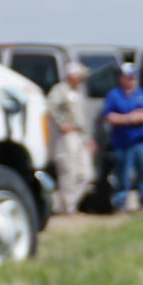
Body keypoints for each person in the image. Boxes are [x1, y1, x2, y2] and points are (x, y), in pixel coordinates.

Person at [100, 63, 143, 212]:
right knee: (123, 175)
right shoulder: (114, 95)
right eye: (128, 76)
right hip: (123, 142)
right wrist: (129, 118)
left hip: (142, 141)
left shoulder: (142, 94)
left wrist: (142, 116)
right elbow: (108, 117)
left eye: (134, 76)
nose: (132, 79)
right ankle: (120, 204)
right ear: (121, 78)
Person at [44, 61, 95, 213]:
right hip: (67, 136)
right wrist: (62, 123)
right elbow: (51, 107)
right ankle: (68, 207)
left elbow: (81, 118)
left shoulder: (78, 92)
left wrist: (88, 139)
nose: (82, 79)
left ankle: (68, 203)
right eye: (80, 76)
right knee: (69, 172)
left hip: (80, 136)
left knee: (86, 174)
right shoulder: (60, 90)